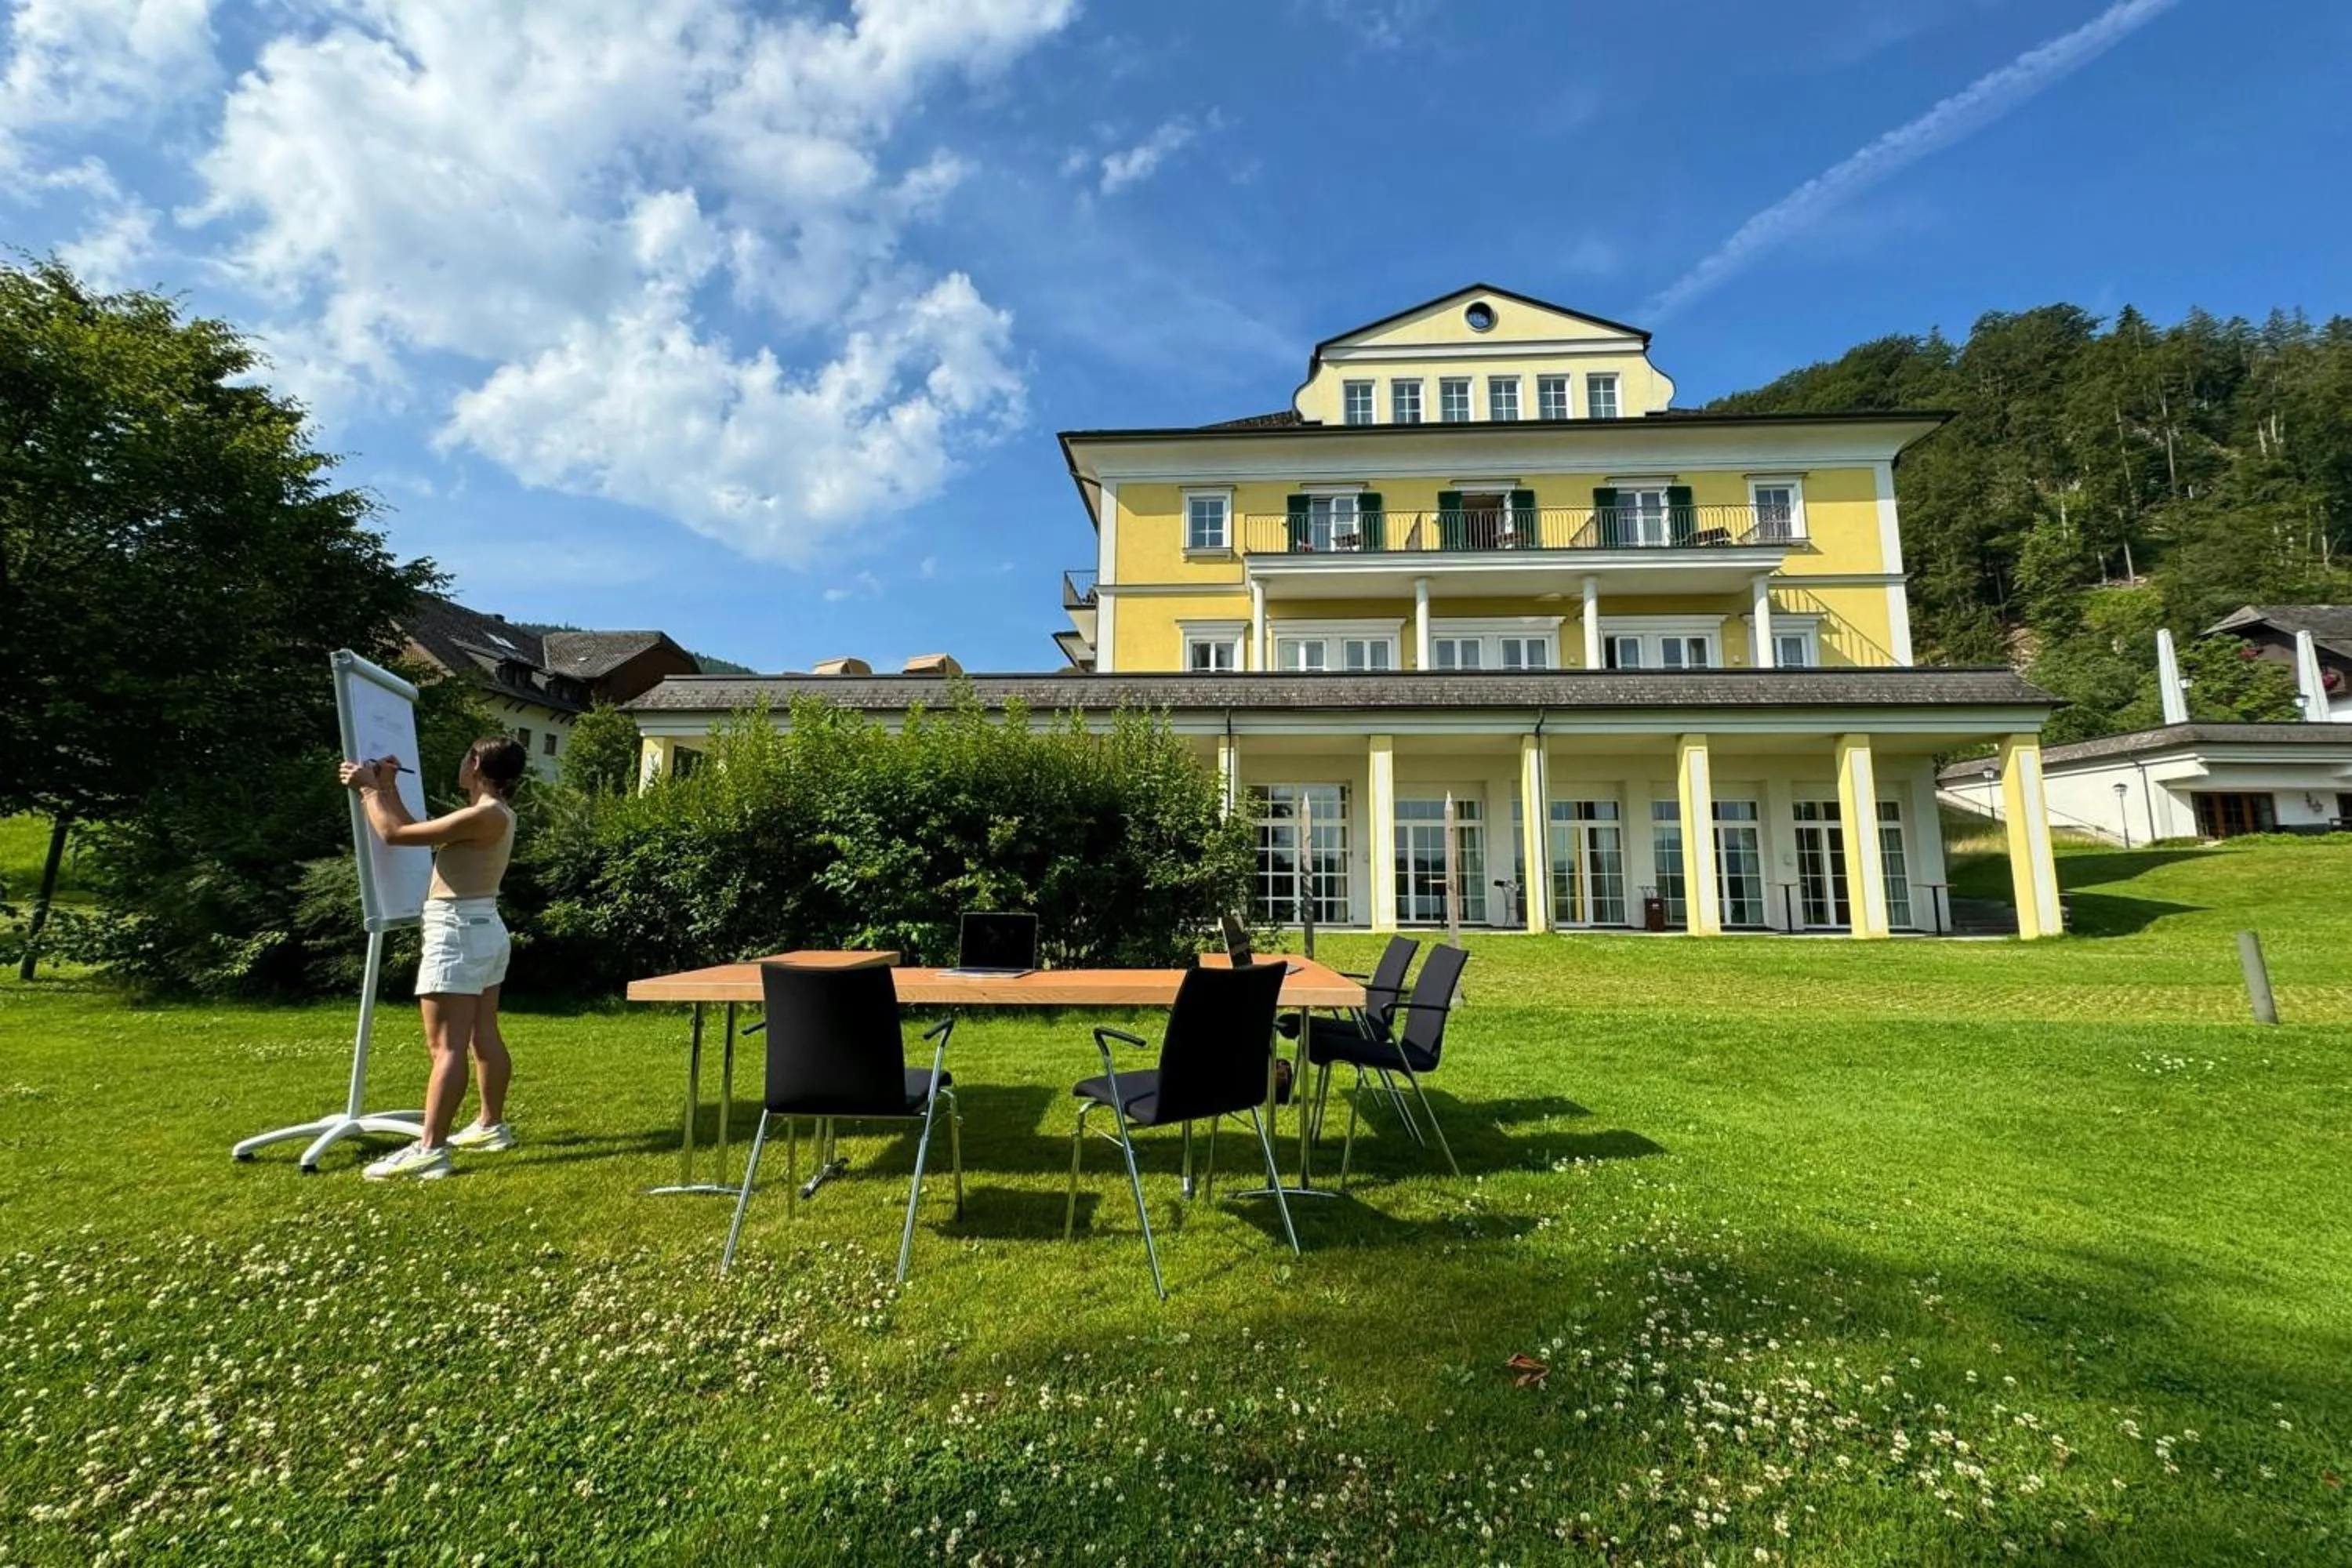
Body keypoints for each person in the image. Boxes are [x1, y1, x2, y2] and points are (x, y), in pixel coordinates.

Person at [339, 736, 528, 1180]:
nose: (461, 764)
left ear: (477, 764)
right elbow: (412, 830)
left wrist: (367, 790)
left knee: (447, 1046)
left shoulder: (483, 814)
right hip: (481, 928)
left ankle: (430, 1149)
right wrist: (387, 789)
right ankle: (490, 1126)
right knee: (482, 1035)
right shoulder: (493, 813)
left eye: (466, 758)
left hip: (459, 931)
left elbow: (393, 834)